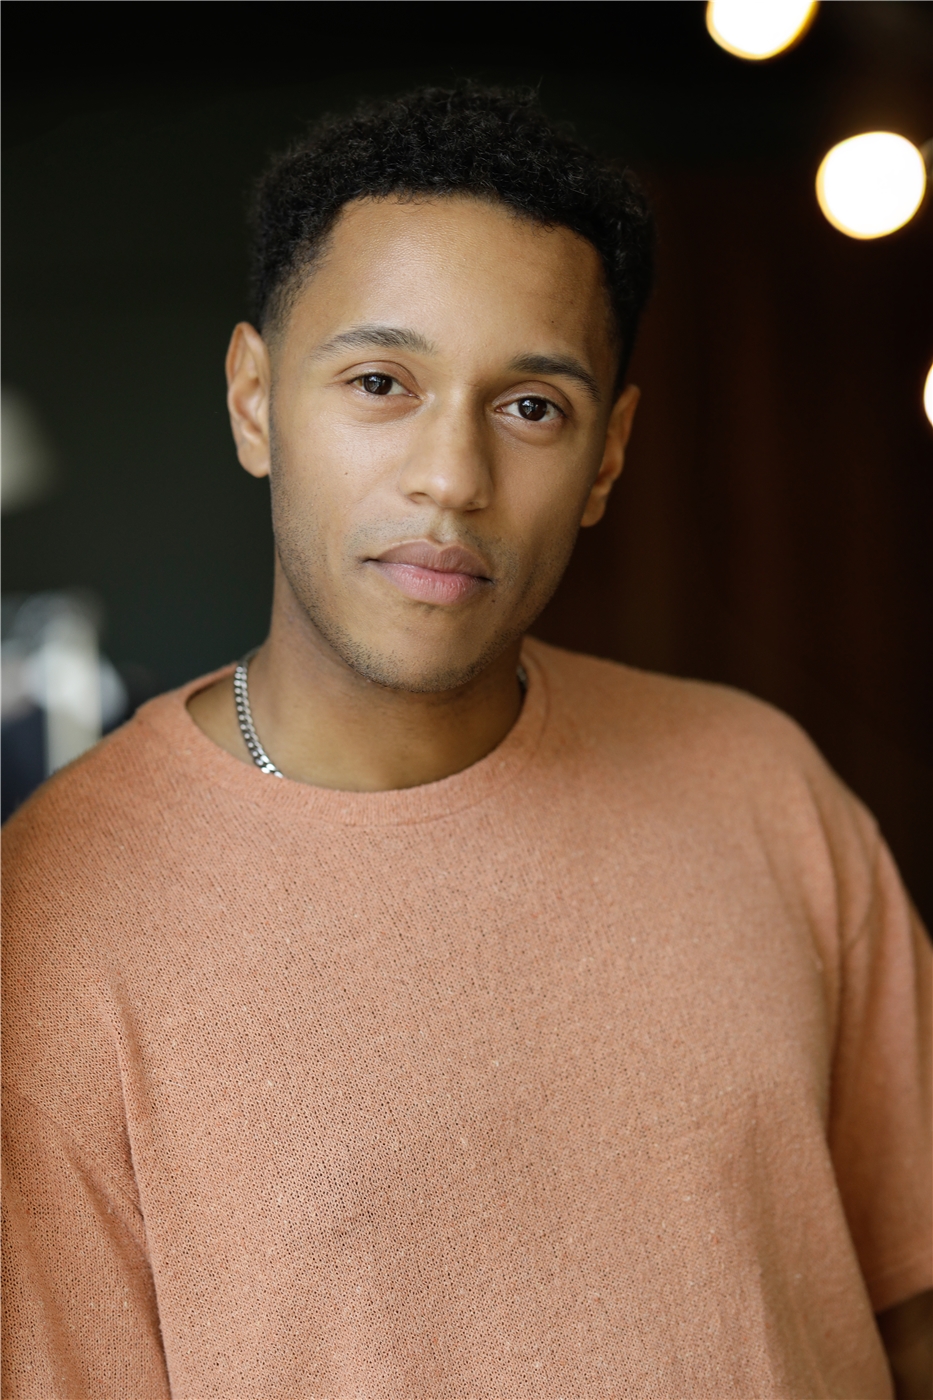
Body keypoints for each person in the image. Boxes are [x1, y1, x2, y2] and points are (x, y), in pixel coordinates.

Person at [2, 85, 929, 1400]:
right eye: (381, 383)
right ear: (255, 401)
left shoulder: (763, 787)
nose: (452, 476)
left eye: (531, 407)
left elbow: (913, 1314)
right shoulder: (54, 925)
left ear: (609, 456)